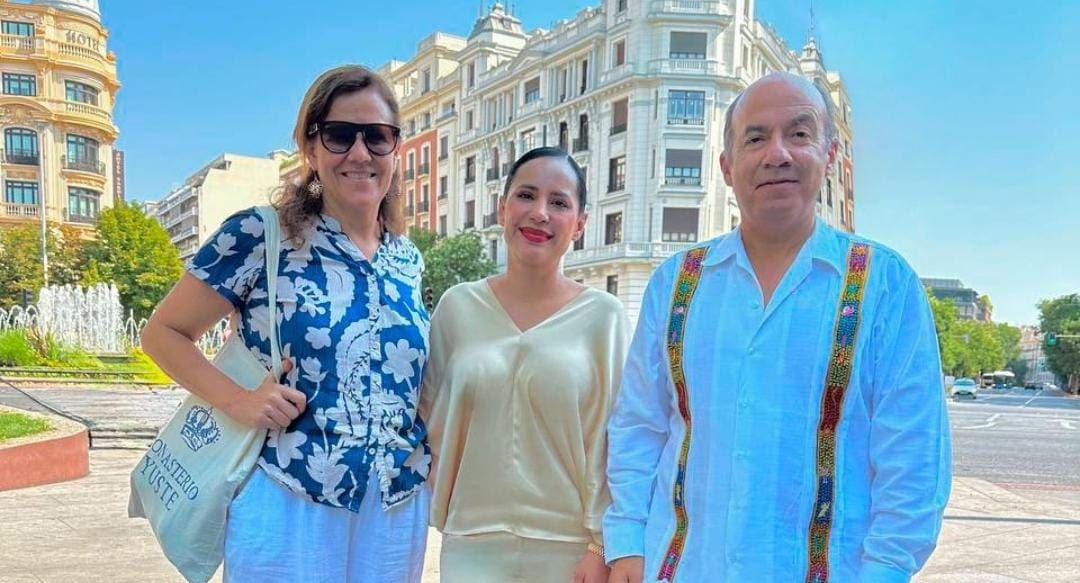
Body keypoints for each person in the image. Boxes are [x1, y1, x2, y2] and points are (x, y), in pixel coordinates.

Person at [604, 73, 951, 583]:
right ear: (726, 166)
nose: (778, 154)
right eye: (755, 137)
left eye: (799, 134)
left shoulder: (884, 285)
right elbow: (639, 425)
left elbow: (913, 455)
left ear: (829, 154)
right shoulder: (676, 284)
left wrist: (886, 569)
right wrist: (627, 548)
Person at [141, 65, 431, 582]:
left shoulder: (407, 258)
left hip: (393, 504)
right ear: (311, 148)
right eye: (340, 135)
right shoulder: (260, 234)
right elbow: (162, 334)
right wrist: (240, 401)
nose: (360, 153)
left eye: (377, 136)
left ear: (396, 148)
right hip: (289, 495)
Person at [421, 147, 630, 583]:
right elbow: (426, 414)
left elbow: (616, 438)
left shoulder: (604, 316)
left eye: (559, 202)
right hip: (469, 544)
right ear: (502, 208)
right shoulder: (457, 307)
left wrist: (600, 543)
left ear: (580, 223)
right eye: (526, 195)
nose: (540, 213)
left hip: (571, 552)